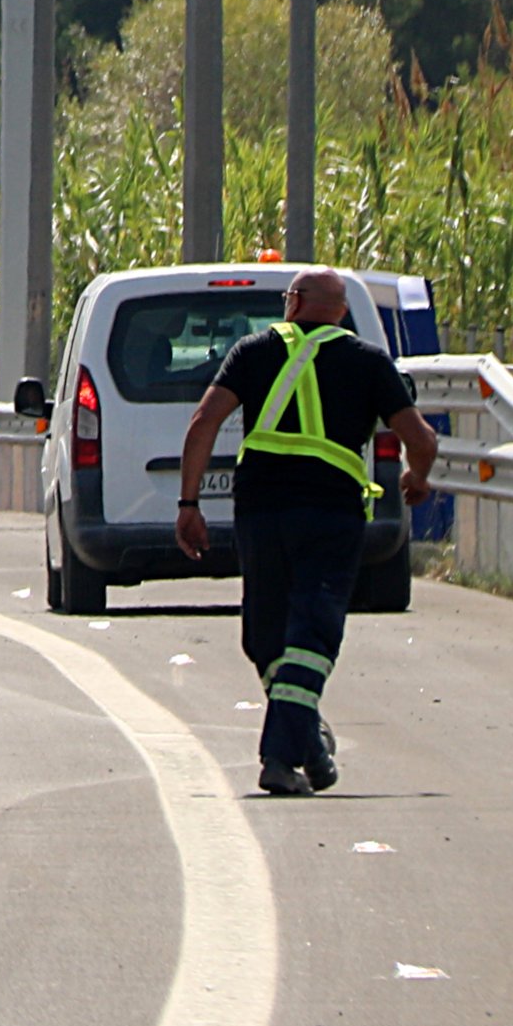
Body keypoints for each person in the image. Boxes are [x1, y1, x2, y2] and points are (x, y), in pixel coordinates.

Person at [174, 268, 440, 797]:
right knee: (309, 633)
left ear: (292, 303)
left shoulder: (252, 350)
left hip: (261, 513)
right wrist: (418, 477)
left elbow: (204, 422)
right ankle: (288, 753)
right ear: (341, 312)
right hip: (331, 515)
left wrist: (189, 502)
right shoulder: (368, 361)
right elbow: (421, 437)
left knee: (266, 635)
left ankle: (299, 747)